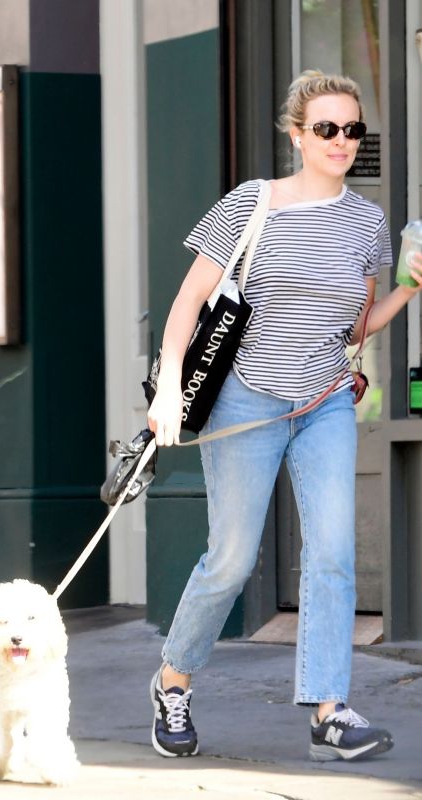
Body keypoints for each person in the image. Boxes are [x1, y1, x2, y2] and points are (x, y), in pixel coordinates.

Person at [146, 70, 422, 763]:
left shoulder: (364, 222)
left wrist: (409, 289)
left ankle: (329, 709)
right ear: (296, 134)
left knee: (331, 553)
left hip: (324, 398)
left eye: (352, 129)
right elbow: (187, 303)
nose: (340, 141)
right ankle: (173, 680)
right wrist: (167, 388)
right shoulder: (252, 204)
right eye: (325, 128)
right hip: (245, 395)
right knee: (232, 559)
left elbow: (357, 327)